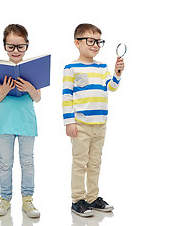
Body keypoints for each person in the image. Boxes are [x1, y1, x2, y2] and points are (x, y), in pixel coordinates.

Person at [62, 23, 125, 217]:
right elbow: (66, 96)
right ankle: (77, 199)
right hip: (81, 124)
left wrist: (117, 73)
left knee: (95, 163)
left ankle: (92, 197)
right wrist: (69, 122)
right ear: (77, 43)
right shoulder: (71, 68)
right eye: (91, 41)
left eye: (99, 41)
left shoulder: (102, 67)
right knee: (80, 163)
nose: (96, 45)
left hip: (100, 124)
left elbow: (112, 87)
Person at [0, 24, 41, 218]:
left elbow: (37, 98)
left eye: (20, 46)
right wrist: (2, 91)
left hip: (27, 124)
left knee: (27, 163)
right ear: (4, 46)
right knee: (5, 163)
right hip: (4, 124)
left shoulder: (32, 70)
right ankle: (5, 199)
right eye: (11, 46)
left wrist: (29, 87)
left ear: (27, 45)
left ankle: (27, 200)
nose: (16, 51)